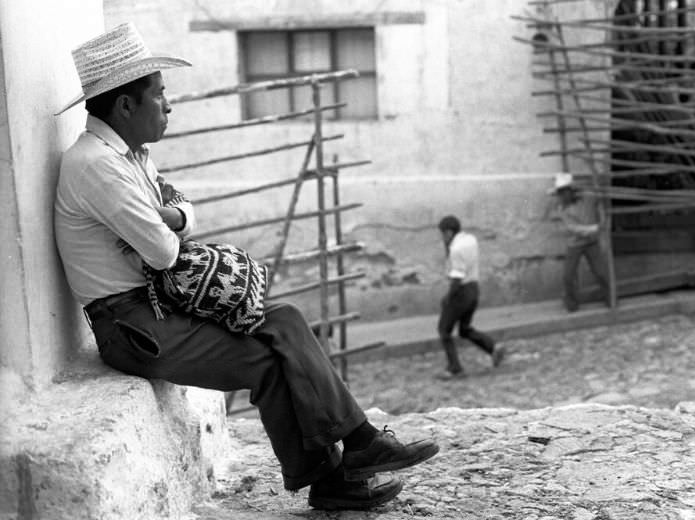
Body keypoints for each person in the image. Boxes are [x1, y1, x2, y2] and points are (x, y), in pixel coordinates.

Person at [53, 23, 438, 511]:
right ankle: (337, 472)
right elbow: (164, 253)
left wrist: (173, 216)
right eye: (159, 95)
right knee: (267, 362)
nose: (169, 105)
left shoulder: (132, 156)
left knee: (286, 320)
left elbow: (183, 208)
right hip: (132, 327)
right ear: (126, 106)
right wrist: (170, 222)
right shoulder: (96, 166)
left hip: (158, 306)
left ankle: (356, 445)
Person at [435, 215, 504, 380]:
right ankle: (493, 347)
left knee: (444, 330)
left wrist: (448, 297)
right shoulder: (470, 240)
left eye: (443, 234)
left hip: (461, 291)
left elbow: (457, 277)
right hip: (474, 289)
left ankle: (455, 367)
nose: (442, 238)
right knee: (465, 329)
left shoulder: (455, 249)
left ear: (449, 233)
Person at [547, 173, 610, 312]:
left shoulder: (588, 198)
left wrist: (603, 217)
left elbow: (600, 200)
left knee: (601, 272)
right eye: (560, 193)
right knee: (568, 276)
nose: (562, 196)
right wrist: (596, 227)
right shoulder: (561, 209)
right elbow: (573, 228)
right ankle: (572, 305)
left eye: (564, 192)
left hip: (591, 242)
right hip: (574, 244)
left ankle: (610, 298)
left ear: (571, 191)